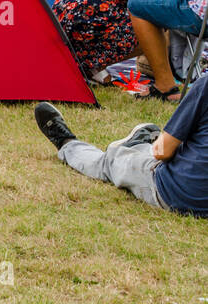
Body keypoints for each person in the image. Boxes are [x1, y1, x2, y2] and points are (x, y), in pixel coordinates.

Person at [32, 91, 208, 217]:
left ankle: (67, 143)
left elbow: (162, 152)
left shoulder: (204, 87)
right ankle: (137, 145)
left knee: (108, 163)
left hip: (175, 193)